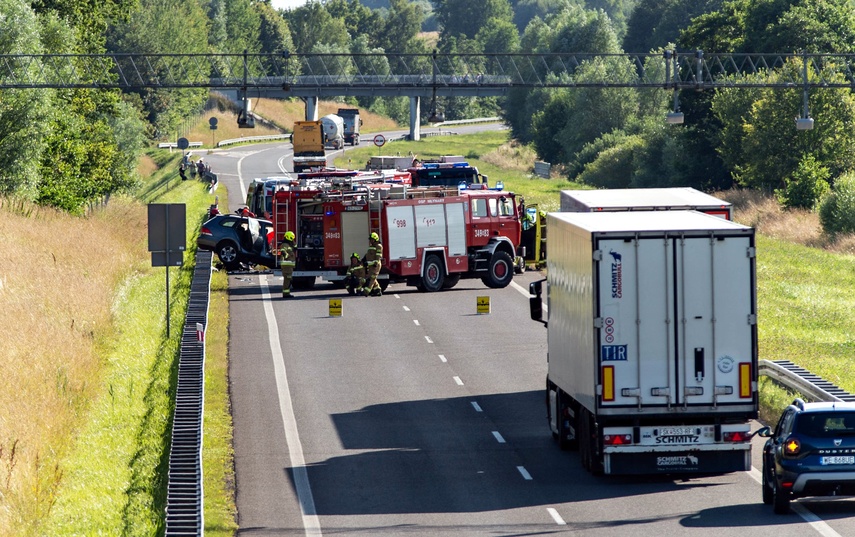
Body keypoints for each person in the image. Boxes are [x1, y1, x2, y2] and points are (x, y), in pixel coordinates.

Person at [277, 231, 297, 298]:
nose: (292, 240)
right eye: (292, 238)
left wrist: (294, 244)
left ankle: (287, 293)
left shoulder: (289, 244)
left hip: (289, 265)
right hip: (286, 265)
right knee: (287, 279)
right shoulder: (285, 245)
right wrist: (286, 255)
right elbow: (283, 251)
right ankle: (286, 294)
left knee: (289, 279)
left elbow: (295, 246)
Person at [363, 231, 383, 296]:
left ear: (375, 239)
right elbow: (368, 255)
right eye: (370, 239)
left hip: (375, 266)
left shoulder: (378, 246)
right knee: (372, 278)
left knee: (371, 278)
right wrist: (363, 260)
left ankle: (366, 292)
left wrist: (376, 263)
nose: (370, 241)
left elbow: (378, 255)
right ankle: (378, 290)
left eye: (372, 239)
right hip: (371, 266)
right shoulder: (372, 246)